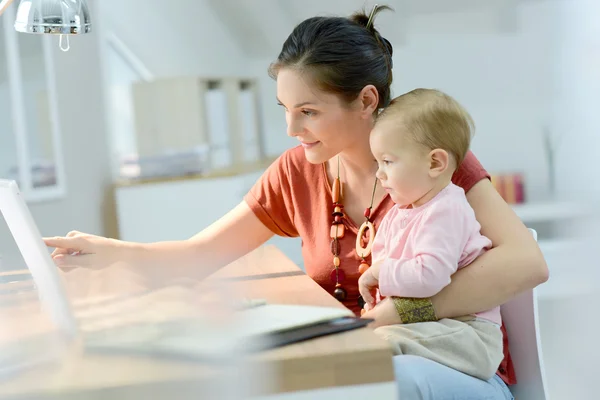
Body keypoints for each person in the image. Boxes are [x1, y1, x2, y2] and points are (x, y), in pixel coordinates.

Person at [44, 5, 548, 399]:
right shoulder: (297, 171)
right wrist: (111, 252)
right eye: (286, 109)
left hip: (451, 369)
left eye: (308, 111)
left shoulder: (431, 162)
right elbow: (201, 255)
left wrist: (393, 315)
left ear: (367, 100)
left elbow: (526, 262)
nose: (291, 128)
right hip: (357, 361)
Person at [358, 88, 504, 381]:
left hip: (468, 335)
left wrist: (379, 273)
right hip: (434, 326)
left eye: (387, 161)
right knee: (368, 340)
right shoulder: (402, 211)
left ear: (435, 163)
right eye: (378, 163)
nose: (379, 174)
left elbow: (429, 276)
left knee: (377, 345)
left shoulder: (447, 209)